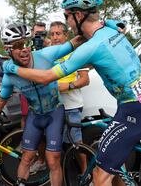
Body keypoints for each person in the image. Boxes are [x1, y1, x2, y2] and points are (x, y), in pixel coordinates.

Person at [2, 0, 141, 186]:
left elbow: (46, 77)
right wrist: (110, 22)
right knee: (114, 165)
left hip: (133, 113)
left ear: (78, 15)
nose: (66, 22)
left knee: (100, 177)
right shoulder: (110, 30)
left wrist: (12, 68)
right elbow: (107, 28)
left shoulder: (90, 48)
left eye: (66, 16)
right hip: (140, 107)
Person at [0, 23, 87, 186]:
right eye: (18, 45)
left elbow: (75, 42)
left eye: (27, 43)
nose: (24, 49)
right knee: (26, 157)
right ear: (7, 49)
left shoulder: (46, 55)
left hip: (55, 112)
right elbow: (2, 99)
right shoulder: (9, 75)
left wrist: (96, 26)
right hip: (35, 115)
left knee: (53, 159)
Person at [50, 21, 89, 173]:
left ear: (66, 36)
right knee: (55, 144)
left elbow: (85, 79)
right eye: (52, 34)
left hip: (72, 107)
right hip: (53, 107)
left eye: (58, 34)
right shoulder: (49, 54)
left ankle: (85, 174)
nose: (55, 37)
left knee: (76, 143)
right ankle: (60, 174)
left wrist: (68, 86)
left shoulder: (76, 53)